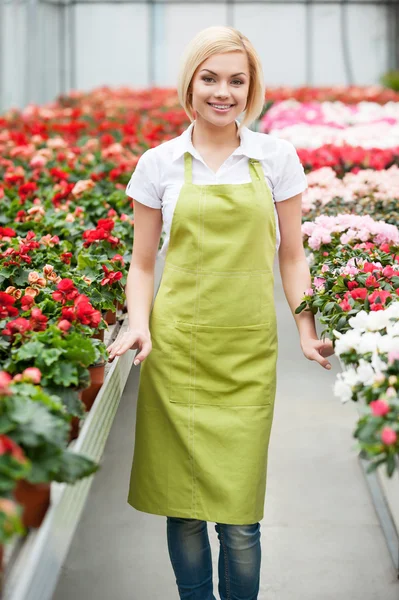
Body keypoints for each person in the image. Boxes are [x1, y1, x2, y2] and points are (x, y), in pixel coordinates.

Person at [107, 25, 334, 600]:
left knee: (239, 520)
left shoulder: (275, 157)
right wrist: (138, 323)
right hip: (177, 350)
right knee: (181, 510)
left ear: (251, 88)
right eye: (210, 78)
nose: (222, 91)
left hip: (246, 356)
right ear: (191, 82)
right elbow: (141, 264)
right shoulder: (159, 163)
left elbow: (291, 253)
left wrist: (306, 329)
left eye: (237, 80)